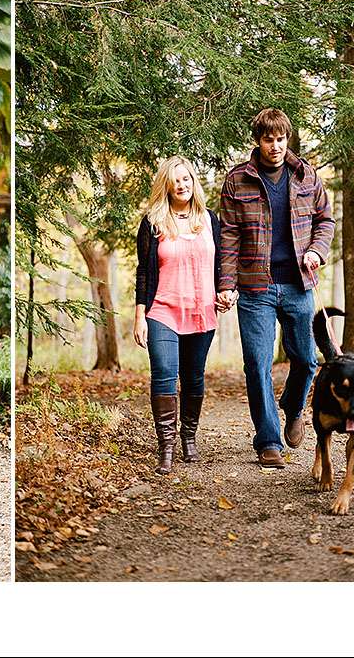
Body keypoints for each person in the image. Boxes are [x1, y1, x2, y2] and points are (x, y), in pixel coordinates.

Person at [217, 108, 335, 468]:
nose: (276, 146)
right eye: (269, 139)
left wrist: (317, 250)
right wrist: (226, 284)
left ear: (288, 138)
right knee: (257, 362)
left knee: (306, 359)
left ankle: (293, 407)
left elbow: (325, 219)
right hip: (255, 288)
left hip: (299, 285)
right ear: (258, 140)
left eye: (281, 138)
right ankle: (268, 440)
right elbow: (229, 236)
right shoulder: (238, 181)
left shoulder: (306, 175)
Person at [134, 156, 223, 474]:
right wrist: (139, 314)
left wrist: (227, 292)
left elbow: (222, 266)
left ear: (193, 181)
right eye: (175, 179)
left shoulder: (210, 220)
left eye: (187, 178)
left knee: (194, 378)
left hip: (201, 311)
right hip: (162, 311)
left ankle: (189, 439)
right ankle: (167, 448)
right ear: (166, 185)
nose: (182, 184)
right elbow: (143, 271)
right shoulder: (153, 222)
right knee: (164, 374)